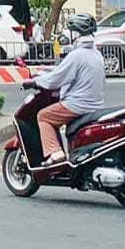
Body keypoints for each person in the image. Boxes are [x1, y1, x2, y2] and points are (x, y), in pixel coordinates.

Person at [29, 15, 104, 168]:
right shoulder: (96, 54)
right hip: (95, 105)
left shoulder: (77, 55)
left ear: (76, 34)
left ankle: (55, 153)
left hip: (77, 105)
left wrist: (36, 81)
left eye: (71, 31)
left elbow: (55, 80)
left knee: (44, 116)